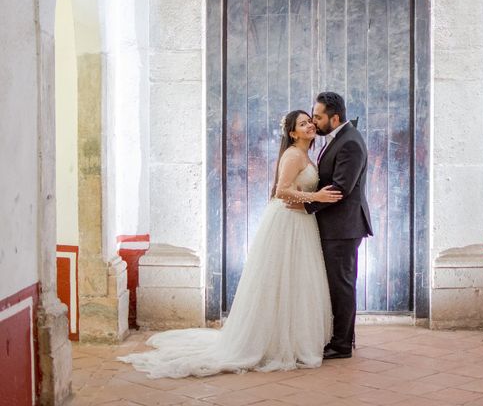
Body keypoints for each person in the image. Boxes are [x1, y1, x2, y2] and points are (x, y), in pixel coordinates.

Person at [118, 110, 342, 378]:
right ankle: (269, 342)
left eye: (310, 122)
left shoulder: (308, 155)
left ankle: (293, 339)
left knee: (296, 282)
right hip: (287, 223)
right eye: (302, 124)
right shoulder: (293, 154)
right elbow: (280, 191)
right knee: (278, 280)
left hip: (302, 222)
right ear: (292, 133)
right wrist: (315, 195)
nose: (309, 126)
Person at [291, 92, 373, 360]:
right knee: (337, 283)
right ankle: (340, 337)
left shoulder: (350, 142)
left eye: (318, 116)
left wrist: (307, 205)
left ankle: (341, 344)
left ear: (334, 117)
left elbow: (341, 188)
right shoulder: (338, 138)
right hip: (335, 226)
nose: (314, 121)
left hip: (343, 228)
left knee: (342, 284)